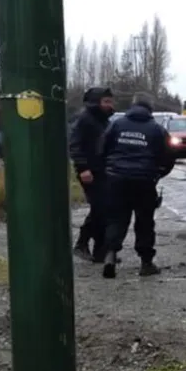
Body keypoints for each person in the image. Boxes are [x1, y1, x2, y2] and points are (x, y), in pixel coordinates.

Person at [99, 93, 175, 279]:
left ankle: (110, 255)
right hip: (144, 181)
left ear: (132, 106)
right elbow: (168, 156)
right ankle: (146, 263)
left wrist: (108, 170)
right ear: (150, 109)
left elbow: (102, 148)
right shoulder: (156, 129)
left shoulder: (116, 125)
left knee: (116, 219)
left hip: (117, 179)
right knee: (145, 222)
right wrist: (157, 174)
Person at [68, 87, 114, 262]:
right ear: (96, 102)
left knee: (104, 209)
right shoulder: (85, 119)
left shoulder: (103, 120)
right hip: (90, 171)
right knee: (99, 208)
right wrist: (83, 168)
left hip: (102, 170)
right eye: (106, 101)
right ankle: (82, 243)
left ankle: (100, 250)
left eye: (111, 101)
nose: (110, 105)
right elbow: (75, 145)